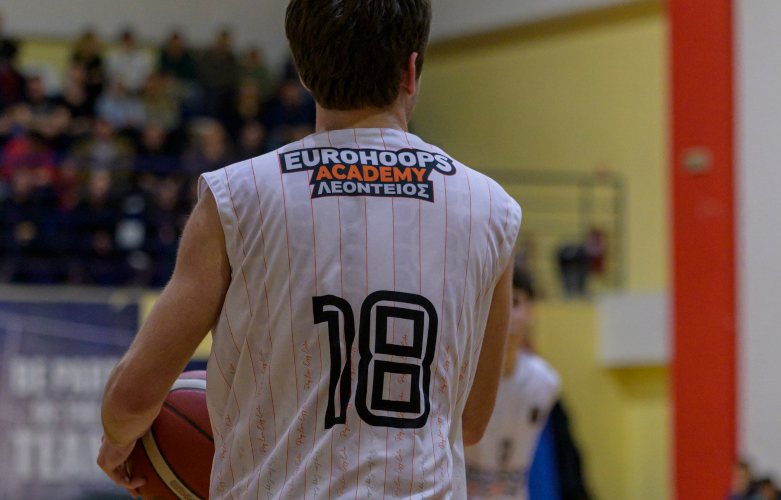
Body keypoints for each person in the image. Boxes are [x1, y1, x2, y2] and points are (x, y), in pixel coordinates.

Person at [97, 3, 522, 500]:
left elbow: (131, 400)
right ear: (411, 71)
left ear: (303, 72)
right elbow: (470, 423)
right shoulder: (491, 207)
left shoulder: (237, 196)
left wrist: (119, 439)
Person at [465, 260, 560, 500]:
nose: (504, 313)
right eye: (494, 303)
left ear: (531, 311)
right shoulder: (461, 377)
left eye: (514, 303)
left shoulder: (545, 382)